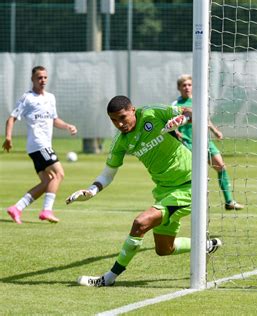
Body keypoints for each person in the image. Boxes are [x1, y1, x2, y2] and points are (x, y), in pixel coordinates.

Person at [66, 95, 222, 287]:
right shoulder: (121, 141)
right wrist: (91, 191)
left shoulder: (152, 113)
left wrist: (184, 119)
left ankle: (108, 278)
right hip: (164, 190)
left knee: (140, 223)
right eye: (114, 120)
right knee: (164, 248)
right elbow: (107, 174)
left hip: (190, 184)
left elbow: (194, 113)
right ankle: (206, 245)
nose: (119, 124)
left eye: (122, 117)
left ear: (133, 109)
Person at [3, 65, 77, 224]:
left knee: (47, 182)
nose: (42, 80)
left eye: (44, 77)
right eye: (39, 78)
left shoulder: (50, 98)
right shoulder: (27, 98)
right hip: (38, 144)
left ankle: (16, 208)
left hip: (40, 146)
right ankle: (47, 211)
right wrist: (8, 137)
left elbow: (54, 119)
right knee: (59, 174)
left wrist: (67, 126)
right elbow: (11, 118)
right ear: (32, 80)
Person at [172, 74, 244, 210]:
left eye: (189, 85)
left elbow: (205, 119)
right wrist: (176, 132)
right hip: (188, 143)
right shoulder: (176, 105)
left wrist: (215, 131)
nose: (187, 87)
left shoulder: (198, 101)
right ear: (179, 88)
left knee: (221, 167)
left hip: (205, 142)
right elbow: (171, 123)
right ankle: (186, 202)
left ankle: (229, 201)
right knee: (192, 174)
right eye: (184, 85)